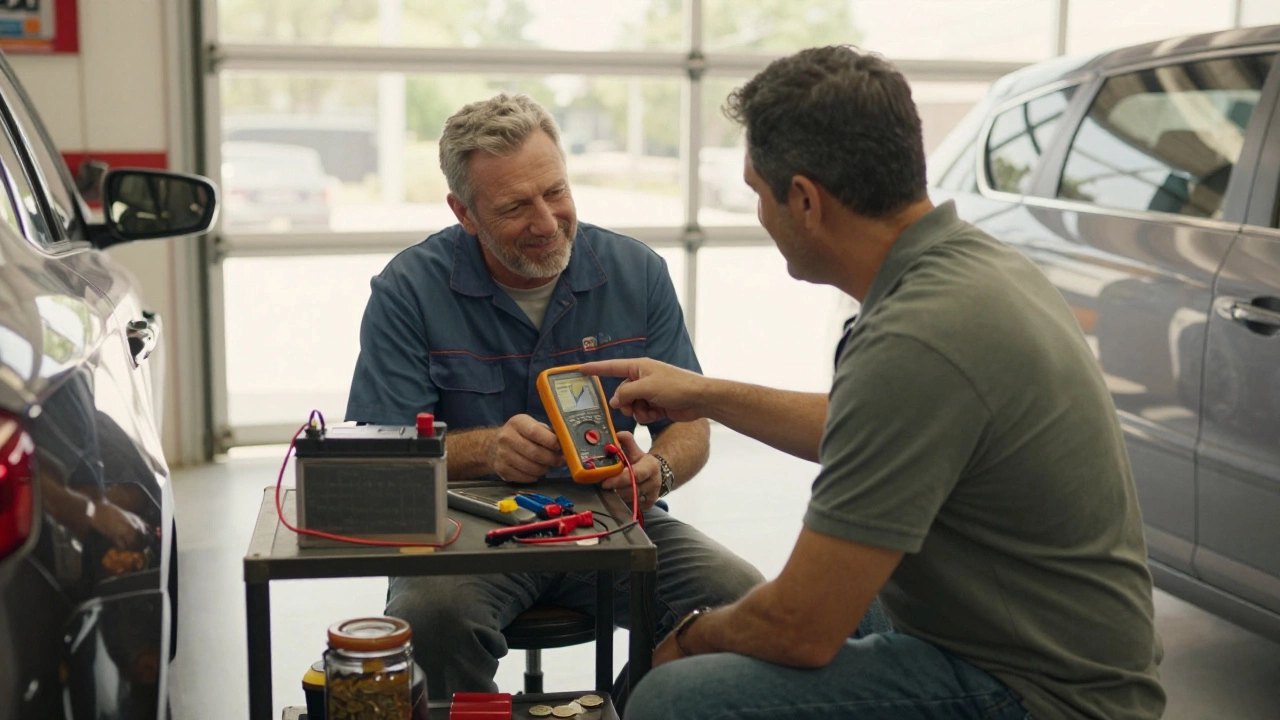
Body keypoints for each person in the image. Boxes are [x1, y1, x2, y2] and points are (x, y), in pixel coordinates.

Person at [581, 46, 1166, 720]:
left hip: (1045, 694)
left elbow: (800, 626)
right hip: (1040, 639)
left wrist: (689, 637)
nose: (761, 216)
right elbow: (866, 426)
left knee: (676, 697)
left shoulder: (919, 336)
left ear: (804, 200)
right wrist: (706, 394)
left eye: (757, 193)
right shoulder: (971, 269)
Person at [344, 93, 765, 703]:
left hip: (608, 518)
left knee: (740, 601)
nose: (546, 221)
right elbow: (385, 452)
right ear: (464, 212)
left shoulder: (635, 272)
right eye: (516, 205)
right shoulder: (408, 290)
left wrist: (658, 471)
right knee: (435, 618)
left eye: (556, 192)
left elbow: (690, 423)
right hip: (463, 529)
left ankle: (621, 710)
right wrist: (488, 450)